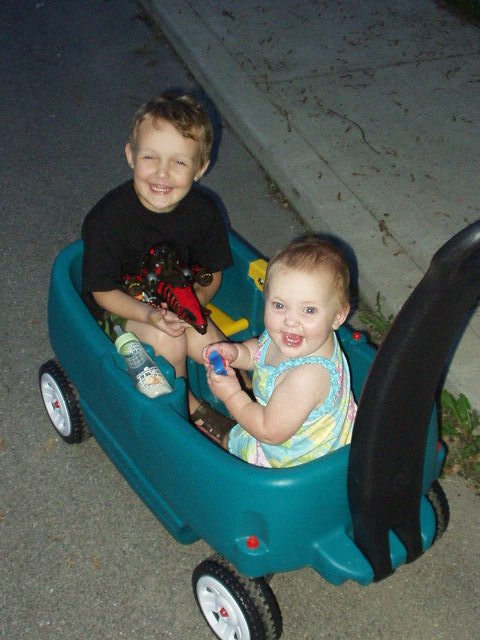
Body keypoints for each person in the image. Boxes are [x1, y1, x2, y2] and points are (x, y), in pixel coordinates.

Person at [81, 91, 234, 437]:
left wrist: (196, 301)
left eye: (179, 162)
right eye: (150, 157)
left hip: (177, 301)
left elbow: (213, 272)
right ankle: (186, 411)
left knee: (215, 347)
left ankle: (245, 397)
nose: (162, 173)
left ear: (200, 169)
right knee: (169, 344)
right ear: (131, 155)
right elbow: (103, 292)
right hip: (121, 312)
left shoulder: (203, 212)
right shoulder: (107, 220)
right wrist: (150, 315)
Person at [204, 235, 357, 467]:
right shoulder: (304, 337)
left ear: (338, 316)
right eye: (279, 305)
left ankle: (225, 445)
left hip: (294, 458)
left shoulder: (308, 377)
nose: (290, 321)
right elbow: (261, 350)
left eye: (309, 310)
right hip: (283, 423)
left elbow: (268, 432)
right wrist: (237, 353)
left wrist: (232, 395)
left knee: (229, 450)